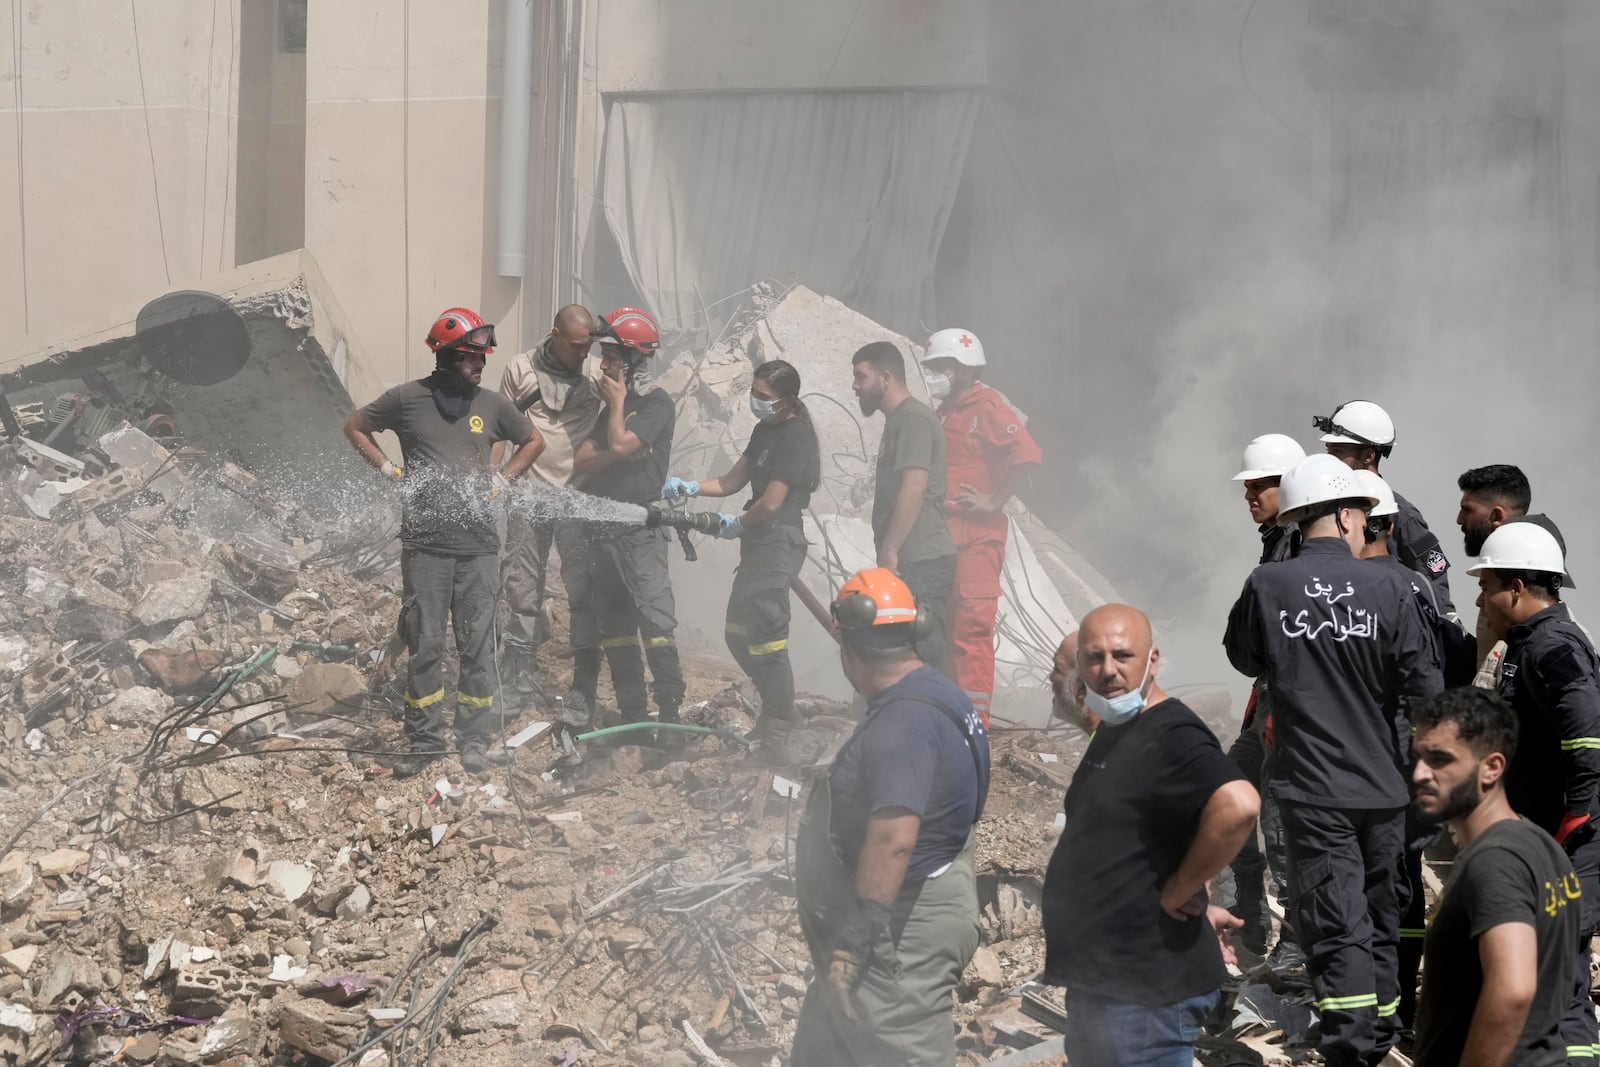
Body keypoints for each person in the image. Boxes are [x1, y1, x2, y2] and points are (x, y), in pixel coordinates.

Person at [1224, 453, 1443, 1066]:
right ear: (1349, 514)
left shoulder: (1269, 583)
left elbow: (1244, 657)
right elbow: (1425, 691)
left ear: (1295, 519)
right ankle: (1378, 1036)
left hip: (1312, 790)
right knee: (1378, 912)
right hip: (1386, 786)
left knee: (1333, 919)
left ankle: (1349, 1049)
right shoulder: (1396, 585)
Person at [1043, 603, 1259, 1066]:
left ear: (1153, 661)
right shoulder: (1120, 727)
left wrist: (1179, 889)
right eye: (1094, 658)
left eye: (1123, 655)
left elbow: (1238, 805)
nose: (1108, 670)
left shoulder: (1172, 731)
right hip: (1104, 983)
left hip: (1144, 993)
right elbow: (1161, 829)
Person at [790, 568, 989, 1066]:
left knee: (899, 1048)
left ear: (849, 645)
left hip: (899, 929)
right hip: (911, 902)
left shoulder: (904, 724)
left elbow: (893, 840)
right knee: (828, 1043)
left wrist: (853, 949)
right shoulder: (937, 691)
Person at [343, 307, 544, 777]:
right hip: (426, 547)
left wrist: (503, 481)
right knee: (426, 644)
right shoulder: (406, 398)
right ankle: (425, 739)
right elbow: (353, 426)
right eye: (472, 357)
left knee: (476, 645)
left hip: (477, 549)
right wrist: (390, 471)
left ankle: (474, 738)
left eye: (482, 357)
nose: (480, 365)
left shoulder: (493, 405)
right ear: (447, 355)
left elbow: (533, 441)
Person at [1468, 521, 1600, 1063]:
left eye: (1488, 584)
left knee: (1555, 970)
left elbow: (1590, 736)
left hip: (1573, 838)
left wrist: (1577, 818)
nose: (1481, 597)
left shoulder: (1553, 646)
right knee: (1553, 969)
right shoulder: (1528, 643)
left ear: (1518, 588)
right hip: (1549, 835)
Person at [660, 359, 821, 762]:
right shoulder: (764, 430)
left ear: (786, 400)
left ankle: (779, 729)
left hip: (778, 539)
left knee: (768, 639)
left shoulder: (796, 437)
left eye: (763, 396)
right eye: (754, 392)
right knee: (737, 633)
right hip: (758, 541)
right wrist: (691, 485)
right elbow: (733, 481)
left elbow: (771, 503)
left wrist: (735, 523)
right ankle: (776, 709)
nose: (756, 401)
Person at [1411, 686, 1580, 1067]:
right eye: (1418, 756)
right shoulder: (1538, 843)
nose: (1420, 773)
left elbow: (1513, 989)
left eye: (1439, 759)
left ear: (1492, 767)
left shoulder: (1495, 859)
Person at [1353, 468, 1445, 1032]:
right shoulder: (1416, 585)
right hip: (1401, 756)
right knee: (1400, 880)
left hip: (1381, 757)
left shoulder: (1387, 585)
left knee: (1381, 884)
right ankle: (1399, 1009)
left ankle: (1383, 1011)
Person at [568, 307, 685, 741]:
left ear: (636, 360)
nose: (605, 365)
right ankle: (632, 714)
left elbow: (617, 441)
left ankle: (670, 712)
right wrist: (617, 449)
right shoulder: (612, 409)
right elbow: (583, 458)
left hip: (640, 532)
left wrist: (617, 413)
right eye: (605, 356)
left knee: (655, 621)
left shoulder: (655, 405)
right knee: (615, 628)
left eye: (614, 357)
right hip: (602, 531)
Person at [919, 328, 1043, 727]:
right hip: (943, 534)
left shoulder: (988, 407)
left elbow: (1025, 455)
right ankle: (940, 713)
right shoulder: (947, 409)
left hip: (976, 539)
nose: (932, 374)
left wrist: (993, 500)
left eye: (938, 366)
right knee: (937, 627)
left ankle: (974, 725)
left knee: (970, 632)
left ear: (959, 369)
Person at [496, 305, 605, 701]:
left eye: (587, 345)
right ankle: (517, 676)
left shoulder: (596, 375)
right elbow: (500, 429)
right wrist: (494, 480)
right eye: (576, 345)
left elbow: (618, 426)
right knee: (523, 588)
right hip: (527, 495)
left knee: (581, 590)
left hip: (576, 499)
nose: (582, 353)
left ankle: (583, 683)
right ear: (555, 333)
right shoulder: (520, 369)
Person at [1225, 433, 1305, 963]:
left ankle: (1297, 943)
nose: (1251, 496)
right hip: (1266, 699)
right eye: (1248, 487)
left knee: (1281, 822)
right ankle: (1249, 910)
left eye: (1261, 486)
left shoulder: (1300, 545)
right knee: (1228, 790)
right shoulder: (1277, 540)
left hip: (1291, 706)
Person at [850, 342, 958, 675]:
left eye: (860, 376)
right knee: (902, 651)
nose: (854, 386)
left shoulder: (911, 419)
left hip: (921, 559)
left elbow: (914, 486)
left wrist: (891, 549)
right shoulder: (900, 420)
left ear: (886, 377)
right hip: (912, 558)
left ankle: (930, 723)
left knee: (920, 654)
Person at [1316, 399, 1457, 618]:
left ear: (1369, 455)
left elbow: (1435, 580)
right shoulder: (1324, 509)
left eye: (1338, 452)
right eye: (1329, 451)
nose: (1329, 460)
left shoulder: (1403, 516)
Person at [1457, 466, 1533, 687]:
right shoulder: (1500, 579)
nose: (1459, 520)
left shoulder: (1526, 583)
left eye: (1467, 510)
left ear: (1496, 515)